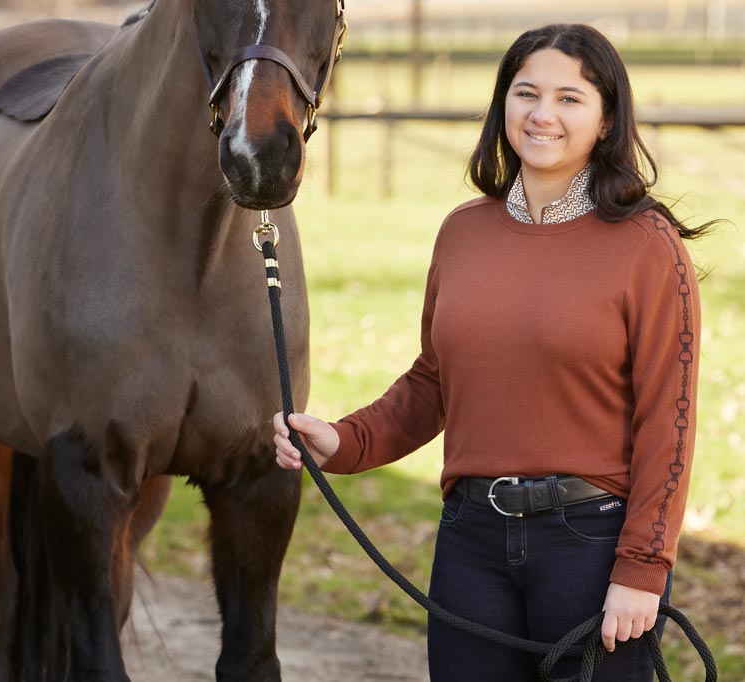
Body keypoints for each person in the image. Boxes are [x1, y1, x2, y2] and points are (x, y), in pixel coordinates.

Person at [274, 23, 713, 682]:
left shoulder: (648, 246)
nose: (542, 114)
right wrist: (345, 441)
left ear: (607, 119)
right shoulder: (463, 233)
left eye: (570, 98)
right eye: (526, 92)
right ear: (502, 104)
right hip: (470, 542)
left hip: (590, 547)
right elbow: (434, 382)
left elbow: (669, 423)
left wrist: (642, 568)